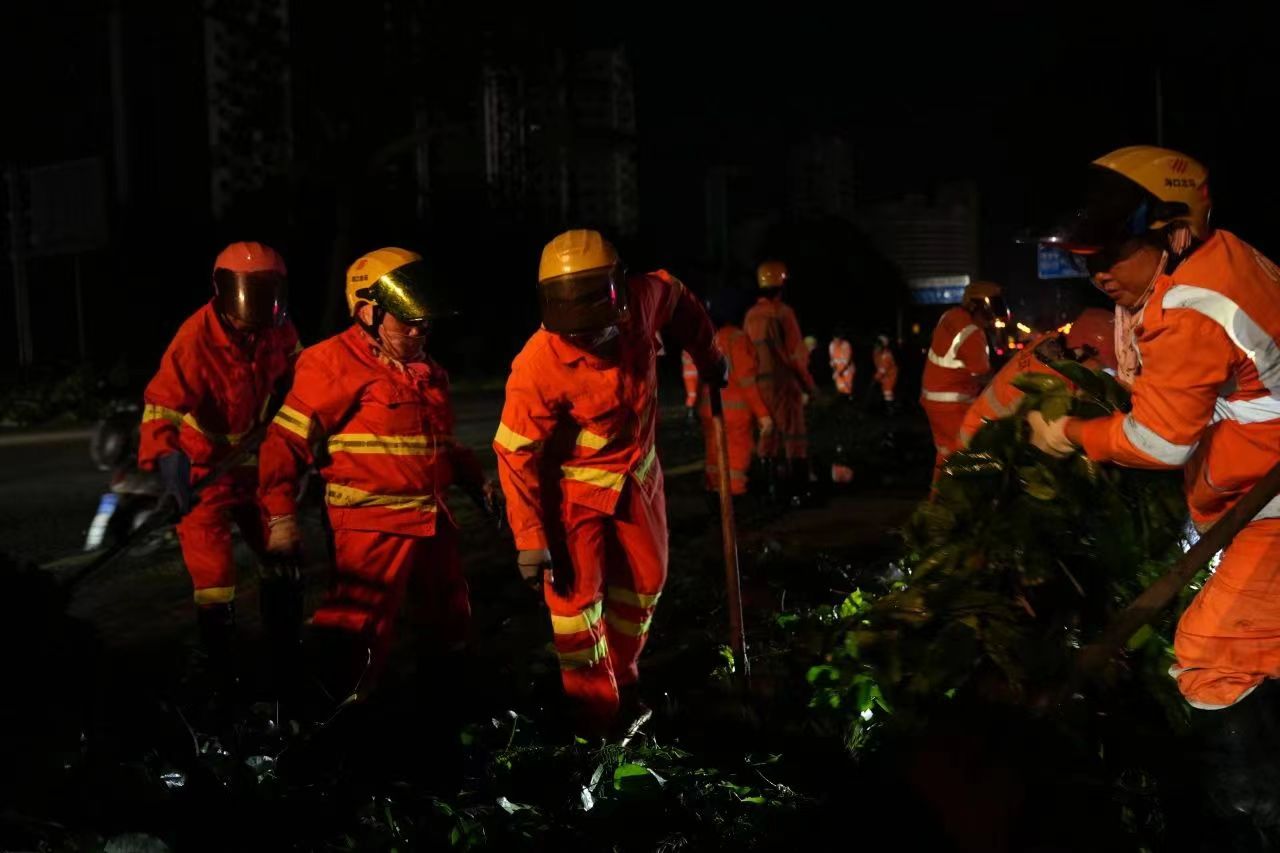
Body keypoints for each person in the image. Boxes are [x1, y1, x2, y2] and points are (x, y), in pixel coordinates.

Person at [493, 229, 721, 734]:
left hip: (639, 478)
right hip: (572, 495)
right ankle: (595, 715)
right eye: (573, 328)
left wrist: (708, 354)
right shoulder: (538, 363)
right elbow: (514, 451)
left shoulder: (643, 299)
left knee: (644, 586)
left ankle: (624, 675)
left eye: (593, 325)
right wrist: (531, 540)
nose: (584, 336)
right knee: (577, 607)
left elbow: (679, 298)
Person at [258, 247, 493, 700]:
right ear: (367, 312)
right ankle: (337, 722)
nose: (420, 325)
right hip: (371, 525)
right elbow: (284, 443)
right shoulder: (332, 363)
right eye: (406, 316)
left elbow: (442, 444)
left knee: (450, 617)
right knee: (357, 628)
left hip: (432, 521)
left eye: (422, 315)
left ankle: (450, 710)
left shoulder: (428, 371)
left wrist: (474, 481)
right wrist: (281, 519)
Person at [139, 241, 299, 691]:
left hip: (257, 462)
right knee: (213, 576)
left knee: (281, 553)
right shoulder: (194, 339)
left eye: (268, 289)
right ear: (222, 290)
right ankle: (222, 667)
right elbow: (161, 408)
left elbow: (298, 377)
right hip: (204, 469)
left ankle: (284, 651)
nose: (259, 302)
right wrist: (169, 467)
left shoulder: (278, 330)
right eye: (251, 290)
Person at [958, 307, 1116, 447]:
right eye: (1100, 365)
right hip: (982, 443)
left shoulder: (1048, 343)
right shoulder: (1055, 382)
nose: (1099, 371)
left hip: (979, 427)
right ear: (1084, 352)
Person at [744, 260, 816, 498]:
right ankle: (798, 491)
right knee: (794, 434)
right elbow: (796, 356)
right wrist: (810, 386)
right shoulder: (784, 314)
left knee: (768, 435)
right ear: (781, 285)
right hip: (784, 383)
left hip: (760, 385)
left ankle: (770, 489)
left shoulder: (751, 316)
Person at [920, 281, 1004, 479]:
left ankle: (937, 502)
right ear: (980, 306)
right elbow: (984, 376)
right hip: (953, 403)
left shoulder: (950, 316)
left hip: (933, 398)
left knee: (946, 452)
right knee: (967, 455)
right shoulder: (973, 332)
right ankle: (957, 500)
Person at [699, 290, 773, 502]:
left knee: (714, 456)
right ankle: (736, 504)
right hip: (735, 415)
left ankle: (715, 499)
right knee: (736, 459)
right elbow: (747, 381)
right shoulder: (737, 339)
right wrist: (763, 415)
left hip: (709, 410)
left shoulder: (707, 338)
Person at [873, 334, 899, 413]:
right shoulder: (876, 352)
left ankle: (890, 409)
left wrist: (875, 378)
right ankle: (886, 407)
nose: (876, 347)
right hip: (884, 375)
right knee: (883, 391)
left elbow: (882, 369)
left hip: (890, 375)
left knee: (887, 391)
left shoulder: (886, 355)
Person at [829, 331, 855, 397]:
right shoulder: (831, 345)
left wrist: (840, 371)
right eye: (835, 339)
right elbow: (832, 359)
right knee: (840, 388)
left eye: (838, 340)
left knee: (848, 390)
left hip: (847, 371)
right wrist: (835, 370)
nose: (836, 342)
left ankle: (850, 399)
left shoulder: (846, 345)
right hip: (838, 371)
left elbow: (847, 361)